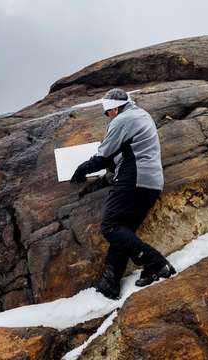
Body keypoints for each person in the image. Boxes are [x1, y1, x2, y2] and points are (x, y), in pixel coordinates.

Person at [70, 88, 176, 300]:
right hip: (151, 181)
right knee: (123, 231)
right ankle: (110, 283)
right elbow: (121, 152)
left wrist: (80, 170)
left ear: (115, 109)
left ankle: (156, 262)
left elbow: (103, 157)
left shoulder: (122, 120)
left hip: (134, 179)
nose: (107, 117)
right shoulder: (141, 114)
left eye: (107, 113)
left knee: (110, 227)